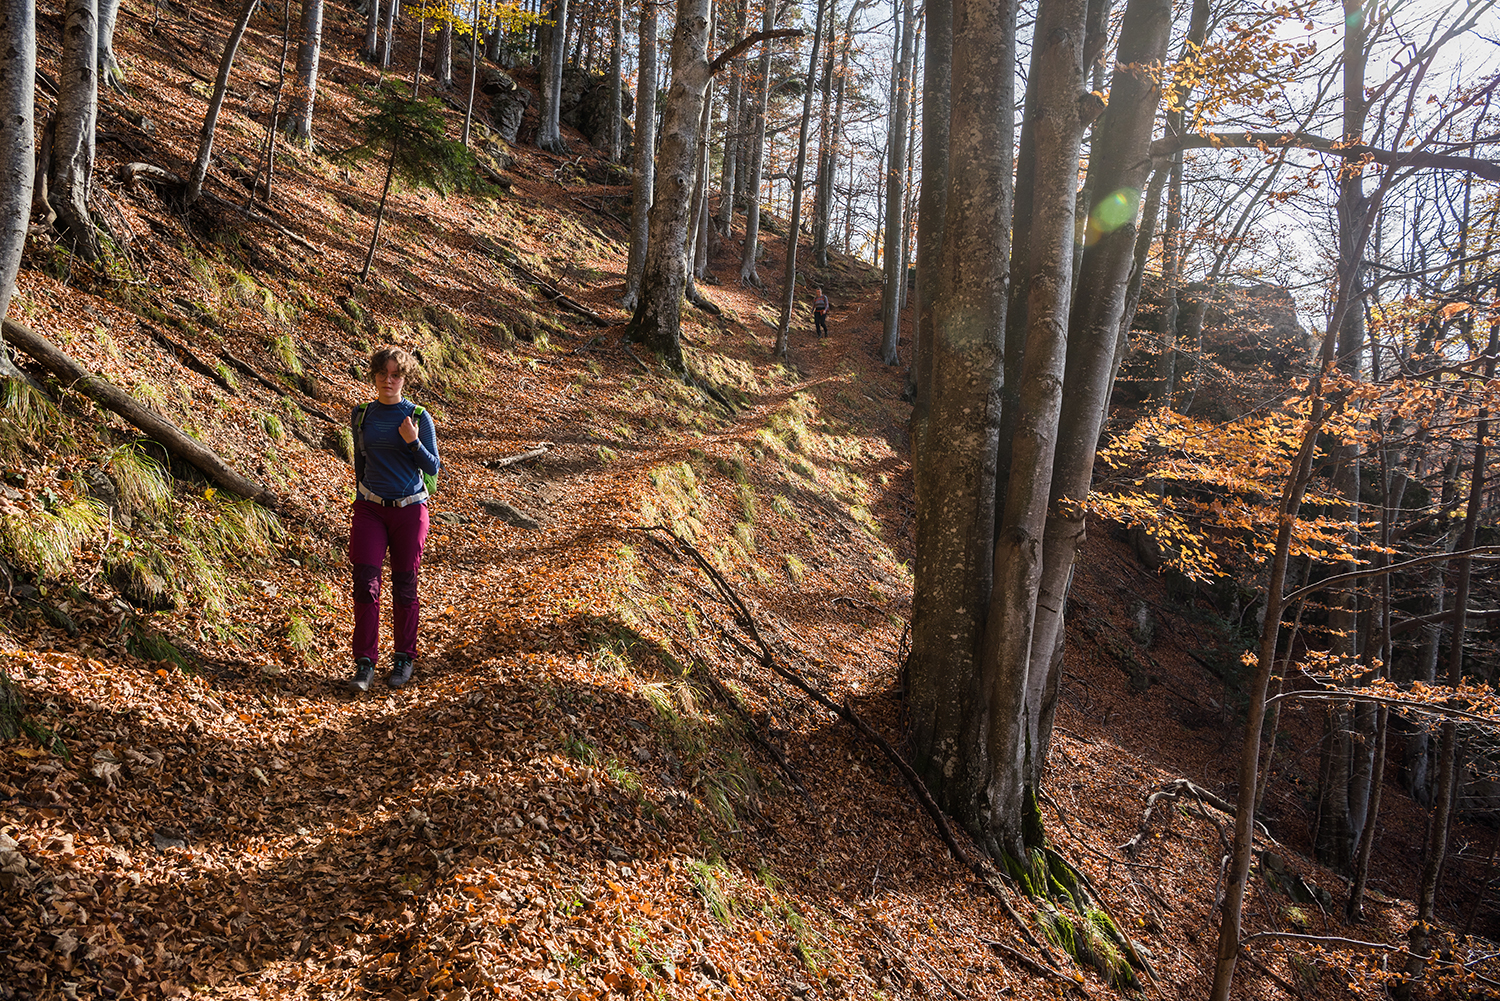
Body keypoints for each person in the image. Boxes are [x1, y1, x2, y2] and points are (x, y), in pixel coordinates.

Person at [347, 345, 441, 692]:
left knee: (404, 584)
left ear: (405, 378)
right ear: (373, 374)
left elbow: (433, 467)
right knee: (365, 583)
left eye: (396, 374)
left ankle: (403, 657)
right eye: (383, 373)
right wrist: (361, 500)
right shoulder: (361, 415)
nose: (389, 380)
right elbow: (361, 462)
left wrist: (413, 442)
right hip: (370, 507)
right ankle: (365, 663)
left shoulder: (417, 415)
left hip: (410, 510)